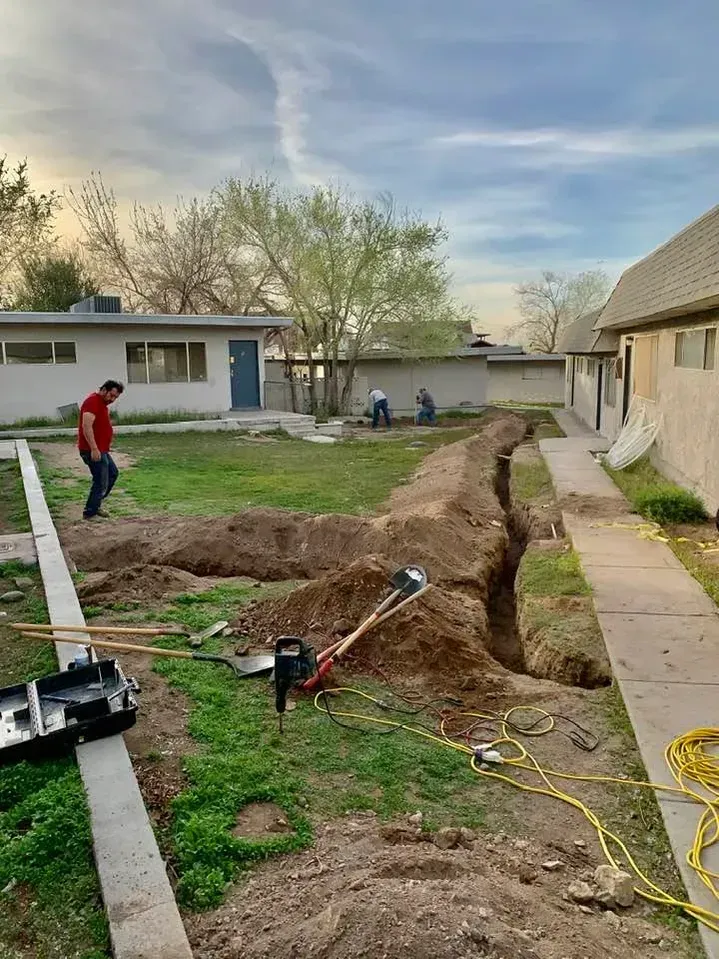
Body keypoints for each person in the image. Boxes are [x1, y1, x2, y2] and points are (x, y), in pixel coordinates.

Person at [78, 380, 124, 520]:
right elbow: (86, 426)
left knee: (112, 474)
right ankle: (90, 512)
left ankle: (95, 504)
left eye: (115, 397)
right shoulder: (92, 401)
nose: (112, 399)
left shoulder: (102, 404)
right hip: (92, 449)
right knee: (100, 480)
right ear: (104, 390)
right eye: (111, 395)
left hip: (101, 449)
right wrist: (94, 448)